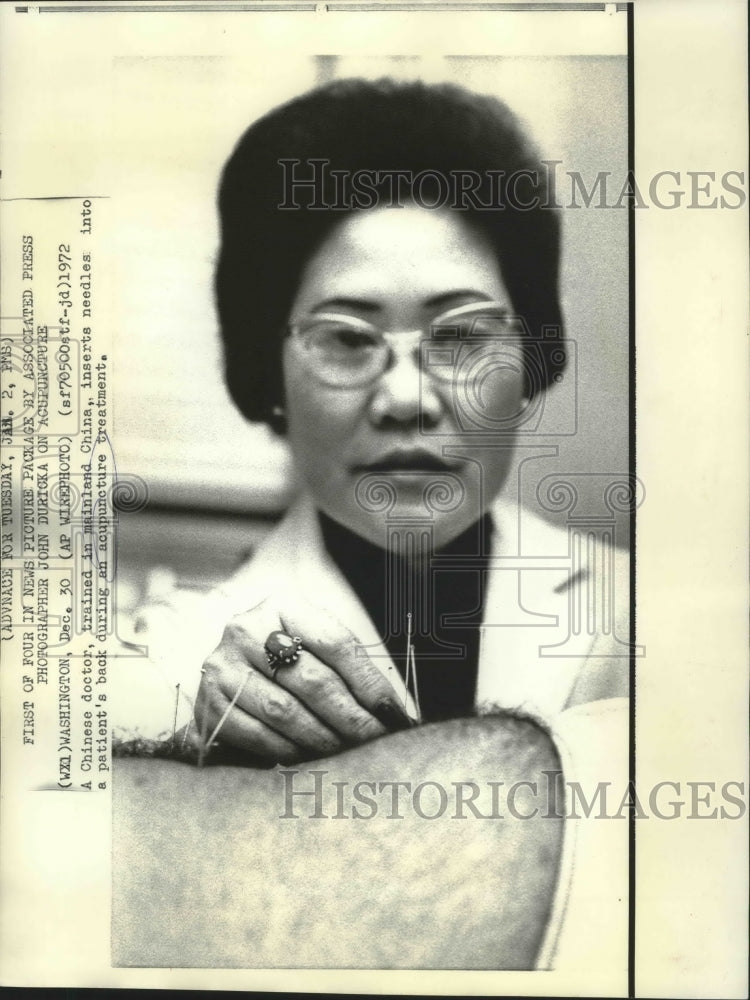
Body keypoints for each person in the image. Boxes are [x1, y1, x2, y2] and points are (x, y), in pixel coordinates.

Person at [112, 77, 630, 973]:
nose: (405, 398)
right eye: (348, 339)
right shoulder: (166, 665)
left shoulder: (641, 618)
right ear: (269, 372)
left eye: (460, 337)